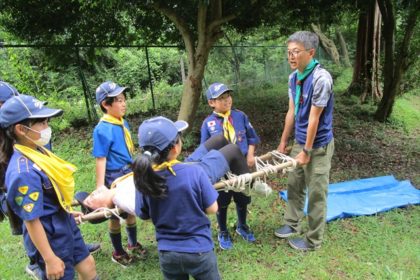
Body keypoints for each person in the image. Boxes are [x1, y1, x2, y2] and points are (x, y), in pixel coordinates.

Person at [0, 95, 98, 280]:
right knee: (62, 274)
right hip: (49, 236)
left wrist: (66, 211)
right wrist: (49, 258)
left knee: (88, 266)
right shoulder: (23, 172)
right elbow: (31, 221)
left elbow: (49, 193)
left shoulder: (38, 152)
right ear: (21, 129)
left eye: (47, 122)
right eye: (42, 123)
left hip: (63, 222)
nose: (48, 128)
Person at [274, 31, 334, 251]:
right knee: (294, 183)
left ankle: (312, 240)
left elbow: (314, 118)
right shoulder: (293, 78)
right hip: (301, 141)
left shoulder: (321, 78)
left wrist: (307, 151)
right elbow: (292, 112)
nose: (291, 56)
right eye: (289, 52)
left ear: (311, 52)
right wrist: (283, 142)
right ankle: (292, 224)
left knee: (317, 192)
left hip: (317, 145)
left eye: (296, 52)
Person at [201, 82, 261, 250]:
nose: (227, 100)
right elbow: (204, 149)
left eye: (228, 96)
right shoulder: (208, 123)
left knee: (243, 197)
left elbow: (251, 138)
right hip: (220, 170)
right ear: (211, 102)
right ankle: (223, 230)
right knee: (222, 201)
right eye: (221, 98)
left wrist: (250, 155)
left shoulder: (240, 116)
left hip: (241, 166)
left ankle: (242, 225)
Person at [92, 81, 145, 267]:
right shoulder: (102, 129)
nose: (124, 104)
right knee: (115, 214)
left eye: (124, 100)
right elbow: (101, 158)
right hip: (113, 176)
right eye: (119, 100)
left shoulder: (123, 122)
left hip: (129, 171)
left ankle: (132, 243)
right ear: (106, 105)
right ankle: (118, 251)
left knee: (130, 209)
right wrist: (101, 187)